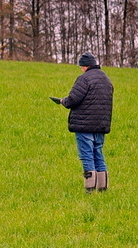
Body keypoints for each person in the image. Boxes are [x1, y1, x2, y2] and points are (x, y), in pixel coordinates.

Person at [58, 51, 113, 193]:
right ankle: (103, 188)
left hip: (84, 125)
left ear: (85, 66)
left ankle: (90, 189)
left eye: (81, 66)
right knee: (98, 154)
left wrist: (63, 101)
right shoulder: (106, 79)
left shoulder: (84, 79)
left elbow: (73, 99)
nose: (81, 69)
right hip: (101, 125)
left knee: (87, 155)